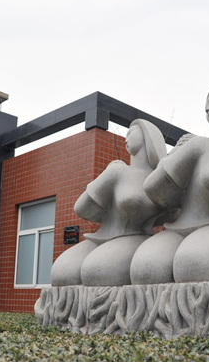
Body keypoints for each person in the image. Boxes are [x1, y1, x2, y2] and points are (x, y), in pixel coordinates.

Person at [130, 85, 209, 284]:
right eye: (205, 105)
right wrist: (176, 157)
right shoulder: (198, 145)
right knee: (145, 268)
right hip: (177, 229)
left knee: (194, 264)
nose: (207, 108)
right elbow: (152, 187)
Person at [50, 119, 167, 286]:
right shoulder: (117, 171)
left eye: (131, 133)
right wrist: (105, 179)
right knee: (61, 272)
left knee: (95, 271)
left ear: (148, 137)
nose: (126, 138)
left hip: (134, 236)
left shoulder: (158, 179)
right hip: (100, 237)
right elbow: (81, 208)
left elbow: (172, 214)